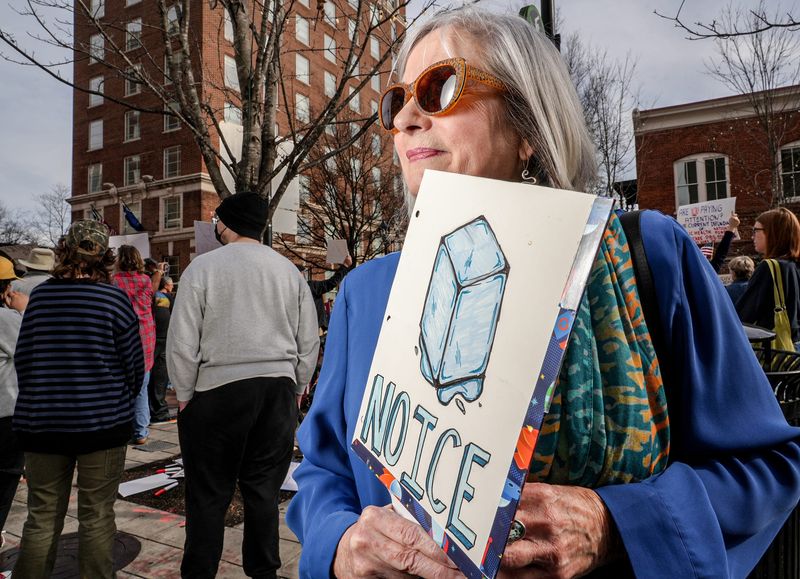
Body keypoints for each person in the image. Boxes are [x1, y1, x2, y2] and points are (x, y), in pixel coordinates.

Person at [286, 7, 800, 578]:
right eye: (396, 100)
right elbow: (323, 472)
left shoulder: (649, 255)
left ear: (527, 126)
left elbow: (768, 467)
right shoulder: (367, 292)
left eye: (441, 87)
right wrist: (341, 544)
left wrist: (617, 523)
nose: (405, 117)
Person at [167, 192, 319, 578]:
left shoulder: (202, 269)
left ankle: (199, 572)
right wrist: (298, 384)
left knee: (208, 496)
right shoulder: (288, 271)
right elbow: (308, 338)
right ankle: (263, 571)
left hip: (217, 392)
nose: (215, 225)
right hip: (277, 390)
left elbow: (183, 341)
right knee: (264, 493)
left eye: (218, 219)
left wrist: (185, 395)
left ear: (228, 223)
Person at [12, 220, 144, 578]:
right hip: (101, 423)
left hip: (42, 423)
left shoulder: (40, 297)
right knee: (97, 515)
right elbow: (134, 365)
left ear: (64, 251)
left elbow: (24, 359)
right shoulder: (114, 299)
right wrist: (119, 400)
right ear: (104, 257)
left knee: (41, 516)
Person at [736, 208, 800, 346]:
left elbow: (742, 315)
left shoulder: (769, 267)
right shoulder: (794, 266)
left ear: (772, 233)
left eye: (756, 231)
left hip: (777, 351)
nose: (752, 237)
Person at [113, 245, 156, 445]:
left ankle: (123, 428)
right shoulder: (145, 280)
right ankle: (141, 431)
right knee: (142, 385)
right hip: (145, 335)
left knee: (121, 385)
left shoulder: (115, 282)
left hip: (123, 334)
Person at [0, 257, 26, 553]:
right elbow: (34, 343)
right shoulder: (8, 320)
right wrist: (23, 310)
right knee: (6, 477)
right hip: (5, 412)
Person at [299, 255, 353, 331]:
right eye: (303, 273)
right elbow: (331, 283)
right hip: (315, 327)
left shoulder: (291, 291)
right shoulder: (310, 286)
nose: (304, 275)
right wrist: (345, 266)